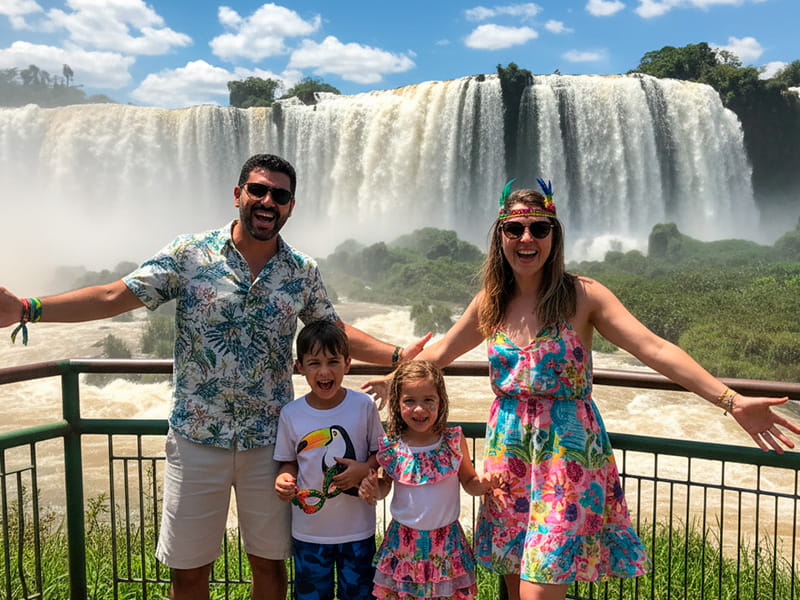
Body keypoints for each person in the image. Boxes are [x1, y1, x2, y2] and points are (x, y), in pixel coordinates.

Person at [0, 153, 429, 600]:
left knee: (269, 564)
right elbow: (112, 296)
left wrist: (400, 355)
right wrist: (29, 309)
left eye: (279, 195)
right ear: (238, 194)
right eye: (258, 190)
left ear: (291, 206)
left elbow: (334, 331)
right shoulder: (190, 254)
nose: (267, 201)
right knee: (187, 570)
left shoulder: (301, 271)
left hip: (272, 443)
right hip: (196, 438)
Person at [363, 179, 800, 600]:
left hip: (566, 460)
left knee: (540, 585)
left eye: (539, 227)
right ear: (500, 237)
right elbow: (439, 353)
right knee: (515, 583)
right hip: (508, 459)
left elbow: (655, 349)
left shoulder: (583, 295)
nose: (526, 237)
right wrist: (394, 375)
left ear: (555, 234)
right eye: (514, 229)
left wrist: (731, 400)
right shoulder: (490, 300)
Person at [358, 360, 499, 600]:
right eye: (409, 401)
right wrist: (372, 489)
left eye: (428, 400)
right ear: (397, 403)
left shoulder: (453, 441)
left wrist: (485, 482)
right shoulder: (392, 446)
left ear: (440, 401)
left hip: (447, 543)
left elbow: (469, 482)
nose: (419, 409)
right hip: (403, 543)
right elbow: (383, 488)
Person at [274, 320, 383, 600]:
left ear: (347, 363)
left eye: (333, 361)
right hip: (309, 532)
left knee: (359, 595)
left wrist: (364, 470)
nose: (324, 371)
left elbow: (382, 454)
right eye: (314, 363)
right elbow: (289, 461)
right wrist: (284, 478)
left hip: (357, 530)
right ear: (300, 367)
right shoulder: (292, 413)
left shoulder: (363, 406)